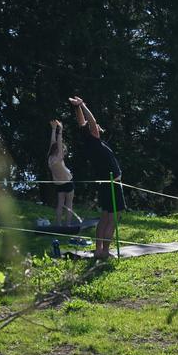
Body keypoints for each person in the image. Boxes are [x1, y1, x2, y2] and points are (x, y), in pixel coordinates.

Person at [69, 96, 122, 259]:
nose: (96, 126)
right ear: (93, 132)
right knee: (113, 219)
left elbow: (82, 123)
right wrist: (83, 105)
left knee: (104, 218)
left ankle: (99, 250)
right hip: (112, 184)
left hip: (106, 183)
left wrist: (77, 107)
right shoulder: (94, 141)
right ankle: (105, 252)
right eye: (94, 127)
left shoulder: (90, 143)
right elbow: (91, 122)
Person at [48, 119, 75, 226]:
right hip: (68, 182)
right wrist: (61, 130)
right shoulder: (59, 157)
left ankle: (59, 224)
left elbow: (52, 143)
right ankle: (67, 225)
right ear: (59, 151)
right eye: (63, 150)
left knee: (60, 204)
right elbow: (58, 143)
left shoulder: (50, 158)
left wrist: (54, 129)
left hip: (58, 183)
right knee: (69, 204)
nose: (63, 152)